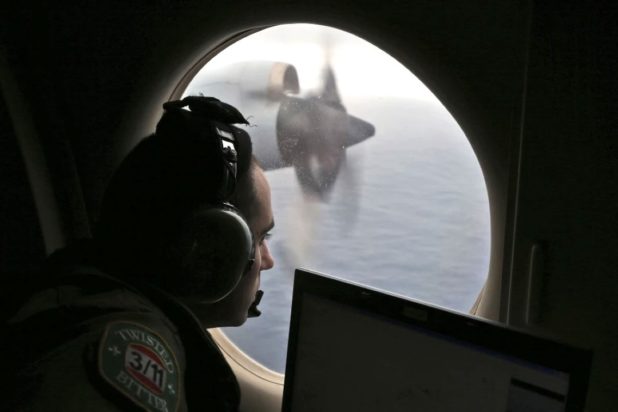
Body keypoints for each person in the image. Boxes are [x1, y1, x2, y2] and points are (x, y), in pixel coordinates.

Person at [4, 96, 275, 412]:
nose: (268, 261)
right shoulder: (128, 348)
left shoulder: (90, 297)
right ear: (207, 250)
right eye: (260, 238)